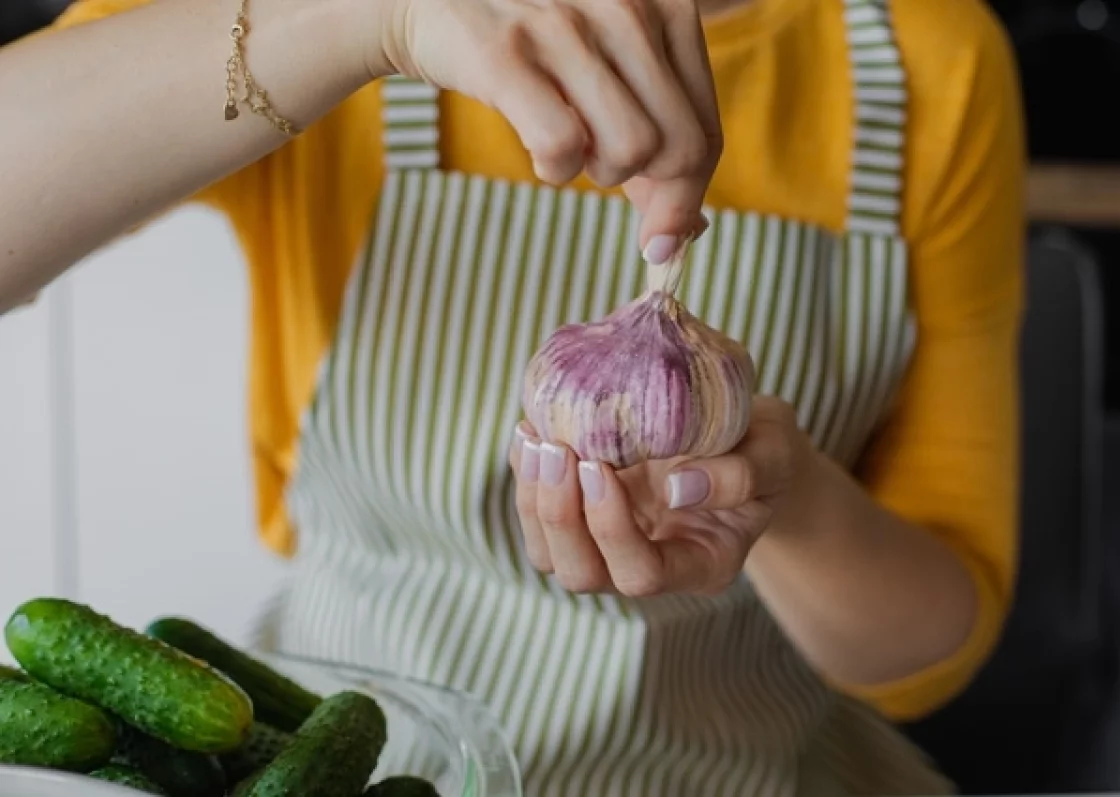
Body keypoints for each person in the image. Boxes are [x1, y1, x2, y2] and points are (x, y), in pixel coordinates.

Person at [0, 0, 1025, 790]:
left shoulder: (927, 62)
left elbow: (928, 646)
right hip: (358, 755)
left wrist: (784, 492)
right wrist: (378, 20)